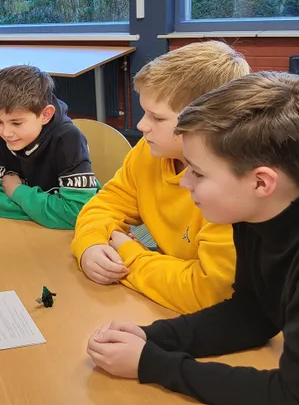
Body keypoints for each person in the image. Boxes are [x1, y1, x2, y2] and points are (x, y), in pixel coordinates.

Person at [86, 72, 299, 405]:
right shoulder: (255, 213)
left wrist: (152, 364)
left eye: (198, 172)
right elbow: (254, 313)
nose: (184, 182)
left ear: (261, 182)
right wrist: (153, 338)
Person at [71, 41, 250, 314]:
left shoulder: (232, 188)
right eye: (145, 112)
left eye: (157, 118)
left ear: (207, 124)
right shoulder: (149, 151)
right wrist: (91, 244)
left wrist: (129, 255)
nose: (141, 125)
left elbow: (210, 292)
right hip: (161, 298)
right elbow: (106, 204)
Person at [0, 65, 99, 229]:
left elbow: (76, 212)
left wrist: (16, 191)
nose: (6, 132)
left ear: (45, 115)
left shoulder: (69, 138)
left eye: (16, 123)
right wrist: (45, 212)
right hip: (20, 228)